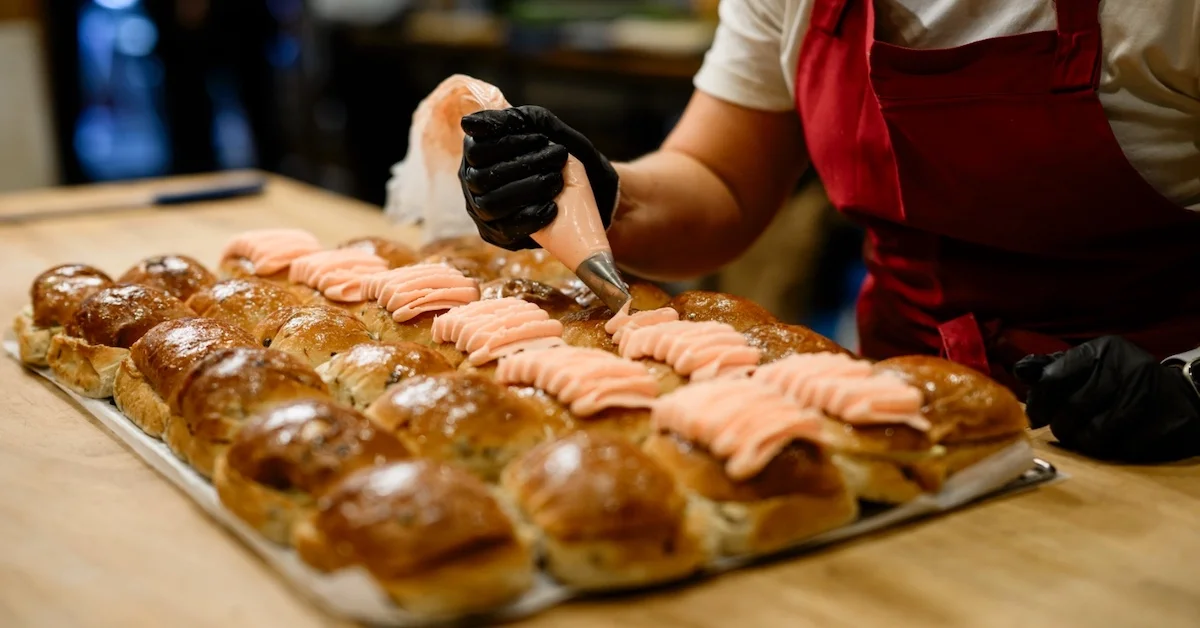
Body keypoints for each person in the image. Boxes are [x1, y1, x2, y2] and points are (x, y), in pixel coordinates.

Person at [455, 0, 1200, 461]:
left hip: (1153, 440)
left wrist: (1190, 388)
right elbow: (719, 181)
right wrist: (603, 192)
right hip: (892, 418)